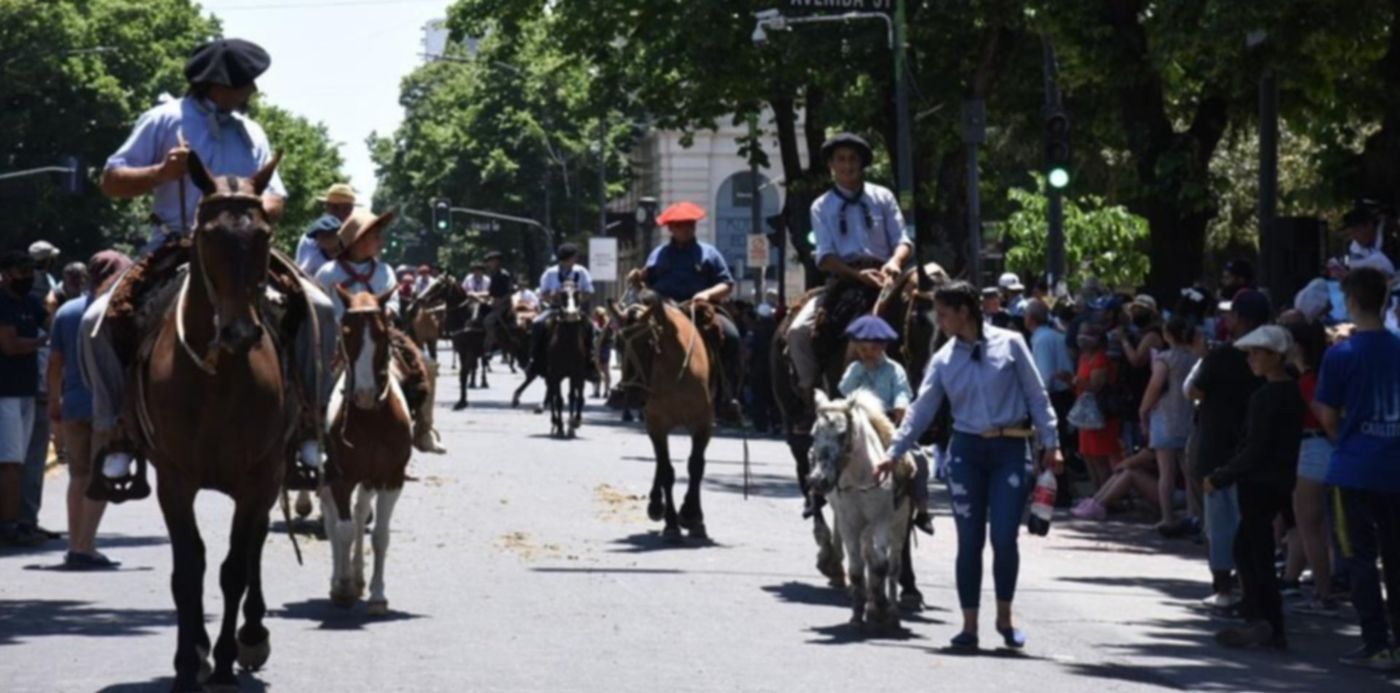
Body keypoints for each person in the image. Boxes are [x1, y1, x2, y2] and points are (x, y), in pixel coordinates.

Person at [87, 38, 337, 480]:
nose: (253, 92)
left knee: (319, 307)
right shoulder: (164, 119)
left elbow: (276, 194)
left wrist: (256, 206)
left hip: (243, 250)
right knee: (96, 319)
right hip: (176, 244)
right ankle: (118, 428)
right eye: (247, 83)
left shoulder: (252, 131)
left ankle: (307, 424)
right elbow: (111, 179)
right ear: (219, 83)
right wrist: (161, 174)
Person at [878, 281, 1061, 650]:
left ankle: (1005, 619)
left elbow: (1036, 395)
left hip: (1010, 449)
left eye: (944, 314)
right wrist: (894, 450)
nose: (940, 321)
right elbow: (921, 408)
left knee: (1004, 538)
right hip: (966, 454)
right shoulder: (944, 358)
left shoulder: (1011, 343)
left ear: (965, 311)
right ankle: (969, 626)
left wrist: (1052, 443)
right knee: (970, 541)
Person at [786, 133, 912, 411]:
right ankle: (810, 395)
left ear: (862, 164)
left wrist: (894, 263)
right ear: (831, 165)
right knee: (797, 332)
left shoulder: (883, 196)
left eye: (853, 159)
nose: (847, 165)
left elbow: (903, 240)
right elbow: (825, 257)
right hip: (844, 282)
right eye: (841, 159)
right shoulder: (821, 206)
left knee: (921, 319)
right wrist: (857, 276)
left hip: (887, 279)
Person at [1315, 267, 1400, 669]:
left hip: (1353, 468)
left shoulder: (1340, 355)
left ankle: (1375, 641)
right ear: (1384, 301)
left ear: (1349, 300)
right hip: (1395, 466)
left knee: (1359, 558)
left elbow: (1327, 416)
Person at [1205, 325, 1304, 649]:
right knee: (1247, 547)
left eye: (1257, 353)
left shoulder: (1267, 396)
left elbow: (1254, 447)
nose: (1251, 359)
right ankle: (1259, 615)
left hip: (1259, 482)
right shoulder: (1291, 392)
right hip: (1279, 480)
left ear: (1274, 357)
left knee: (1254, 551)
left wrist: (1222, 475)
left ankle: (1266, 621)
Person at [316, 209, 443, 454]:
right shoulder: (329, 272)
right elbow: (320, 305)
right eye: (375, 236)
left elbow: (394, 302)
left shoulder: (384, 271)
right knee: (314, 375)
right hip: (341, 338)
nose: (381, 241)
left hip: (380, 337)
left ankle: (424, 429)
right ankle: (312, 430)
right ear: (358, 239)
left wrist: (386, 315)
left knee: (427, 365)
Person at [1186, 289, 1270, 609]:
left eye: (1232, 314)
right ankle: (1253, 590)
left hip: (1221, 450)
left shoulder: (1223, 356)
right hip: (1256, 452)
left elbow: (1193, 390)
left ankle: (1225, 588)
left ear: (1242, 318)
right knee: (1250, 524)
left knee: (1220, 525)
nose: (1227, 320)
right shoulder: (1274, 355)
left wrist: (1203, 359)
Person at [48, 251, 131, 567]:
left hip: (72, 405)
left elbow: (55, 363)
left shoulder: (66, 311)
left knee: (77, 474)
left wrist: (55, 404)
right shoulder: (115, 311)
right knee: (101, 476)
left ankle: (75, 544)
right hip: (103, 408)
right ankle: (86, 546)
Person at [626, 201, 742, 421]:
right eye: (679, 225)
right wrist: (637, 276)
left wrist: (707, 294)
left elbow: (726, 283)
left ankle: (728, 396)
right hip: (663, 308)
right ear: (670, 228)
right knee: (632, 334)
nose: (685, 228)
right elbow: (645, 279)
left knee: (732, 336)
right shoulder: (658, 254)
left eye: (689, 224)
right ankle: (630, 387)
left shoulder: (709, 253)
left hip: (698, 308)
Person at [837, 315, 929, 533]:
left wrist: (900, 406)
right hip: (859, 425)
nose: (866, 351)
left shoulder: (894, 369)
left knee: (919, 459)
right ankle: (821, 493)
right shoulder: (855, 369)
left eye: (872, 347)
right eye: (862, 347)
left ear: (883, 346)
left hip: (887, 424)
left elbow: (902, 392)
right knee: (829, 450)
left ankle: (922, 509)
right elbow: (843, 389)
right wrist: (858, 369)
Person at [1279, 319, 1339, 616]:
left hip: (1314, 450)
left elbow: (1326, 420)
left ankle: (1323, 593)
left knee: (1309, 526)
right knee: (1320, 526)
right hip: (1318, 450)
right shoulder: (1317, 375)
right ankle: (1320, 586)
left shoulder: (1308, 381)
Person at [0, 250, 48, 547]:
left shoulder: (30, 302)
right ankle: (9, 525)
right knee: (10, 463)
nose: (27, 277)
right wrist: (43, 342)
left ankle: (21, 521)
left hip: (27, 391)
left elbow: (52, 318)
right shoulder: (1, 303)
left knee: (21, 460)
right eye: (21, 272)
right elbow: (9, 345)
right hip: (4, 393)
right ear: (5, 274)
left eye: (30, 271)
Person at [1137, 316, 1197, 531]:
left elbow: (1155, 386)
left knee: (1167, 473)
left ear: (1167, 335)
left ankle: (1168, 517)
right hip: (1189, 416)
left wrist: (1143, 410)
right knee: (1189, 470)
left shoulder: (1165, 359)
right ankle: (1192, 514)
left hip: (1166, 416)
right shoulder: (1194, 358)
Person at [1026, 299, 1076, 505]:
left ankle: (1056, 493)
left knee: (1050, 445)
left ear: (1029, 319)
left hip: (1053, 397)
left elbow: (1044, 376)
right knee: (1057, 445)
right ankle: (1058, 491)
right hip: (1061, 396)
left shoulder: (1042, 339)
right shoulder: (1053, 336)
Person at [1072, 323, 1121, 493]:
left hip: (1100, 414)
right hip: (1085, 414)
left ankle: (1106, 496)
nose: (1082, 337)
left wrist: (1074, 381)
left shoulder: (1101, 359)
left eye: (1087, 334)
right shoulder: (1083, 357)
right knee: (1088, 455)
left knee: (1100, 457)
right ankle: (1096, 494)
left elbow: (1095, 386)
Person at [531, 243, 595, 372]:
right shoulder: (550, 273)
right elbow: (543, 293)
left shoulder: (581, 271)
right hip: (554, 309)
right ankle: (535, 358)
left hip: (576, 309)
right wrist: (553, 297)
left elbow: (589, 292)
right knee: (537, 323)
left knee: (591, 326)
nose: (576, 259)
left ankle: (591, 359)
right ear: (567, 258)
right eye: (574, 256)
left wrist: (576, 298)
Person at [296, 183, 356, 275]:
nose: (341, 213)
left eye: (347, 209)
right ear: (327, 207)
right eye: (335, 208)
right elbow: (301, 273)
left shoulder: (357, 239)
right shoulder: (310, 238)